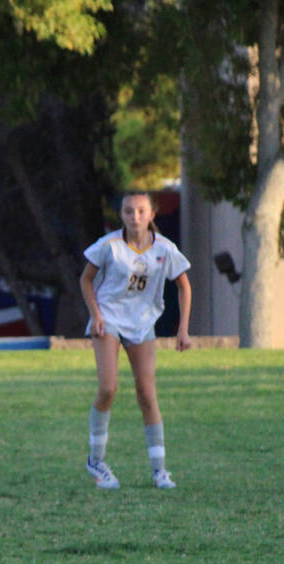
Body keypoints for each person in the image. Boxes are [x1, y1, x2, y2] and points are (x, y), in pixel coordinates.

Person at [79, 191, 192, 490]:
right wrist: (96, 315)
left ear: (152, 214)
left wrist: (183, 329)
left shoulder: (165, 249)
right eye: (129, 211)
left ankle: (160, 471)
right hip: (110, 319)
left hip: (142, 325)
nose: (135, 217)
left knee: (146, 393)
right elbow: (85, 279)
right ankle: (96, 462)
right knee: (108, 388)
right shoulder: (110, 246)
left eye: (141, 211)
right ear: (122, 216)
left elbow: (184, 285)